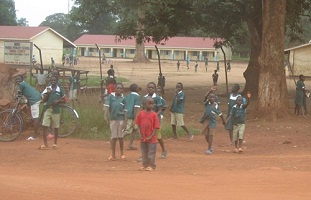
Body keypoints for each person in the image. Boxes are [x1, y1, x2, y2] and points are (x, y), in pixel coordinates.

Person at [39, 75, 66, 149]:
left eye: (54, 80)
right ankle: (45, 144)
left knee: (56, 127)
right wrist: (48, 94)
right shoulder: (48, 89)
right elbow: (43, 100)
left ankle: (55, 143)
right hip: (48, 109)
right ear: (50, 81)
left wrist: (58, 101)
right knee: (45, 125)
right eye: (52, 81)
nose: (53, 82)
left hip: (56, 110)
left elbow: (64, 100)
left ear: (57, 81)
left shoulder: (59, 90)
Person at [141, 82, 167, 159]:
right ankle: (144, 155)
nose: (150, 89)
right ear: (147, 89)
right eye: (149, 87)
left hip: (156, 119)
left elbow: (160, 109)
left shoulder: (158, 98)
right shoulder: (144, 98)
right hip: (146, 120)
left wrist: (154, 115)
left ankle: (163, 150)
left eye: (152, 88)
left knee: (158, 136)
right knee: (146, 136)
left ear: (155, 89)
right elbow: (143, 109)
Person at [135, 96, 160, 171]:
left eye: (152, 104)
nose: (151, 105)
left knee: (151, 152)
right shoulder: (141, 114)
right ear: (144, 104)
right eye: (149, 103)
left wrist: (151, 135)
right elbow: (138, 125)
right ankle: (144, 165)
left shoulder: (154, 114)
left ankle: (151, 165)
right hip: (143, 137)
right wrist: (140, 134)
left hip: (151, 138)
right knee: (144, 152)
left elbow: (156, 127)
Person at [104, 83, 127, 161]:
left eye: (120, 88)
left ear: (122, 90)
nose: (119, 90)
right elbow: (107, 106)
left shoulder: (123, 98)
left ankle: (122, 154)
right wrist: (105, 115)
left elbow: (125, 111)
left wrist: (125, 122)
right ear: (115, 89)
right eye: (118, 88)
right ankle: (113, 154)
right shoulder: (111, 97)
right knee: (113, 137)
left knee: (121, 137)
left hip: (121, 119)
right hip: (113, 119)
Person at [15, 75, 42, 141]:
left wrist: (16, 98)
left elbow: (19, 94)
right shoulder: (24, 83)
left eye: (19, 79)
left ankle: (35, 136)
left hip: (34, 100)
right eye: (16, 79)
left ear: (22, 79)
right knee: (33, 115)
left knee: (35, 117)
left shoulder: (21, 84)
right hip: (35, 98)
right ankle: (38, 129)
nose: (17, 81)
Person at [124, 83, 141, 150]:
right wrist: (135, 119)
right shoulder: (137, 97)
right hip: (132, 116)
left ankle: (130, 145)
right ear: (136, 89)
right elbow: (135, 108)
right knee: (128, 131)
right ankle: (118, 137)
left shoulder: (127, 96)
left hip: (127, 115)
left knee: (135, 130)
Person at [155, 87, 168, 159]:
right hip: (149, 119)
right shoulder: (148, 98)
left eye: (159, 92)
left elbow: (163, 108)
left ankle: (164, 150)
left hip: (158, 117)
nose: (158, 93)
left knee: (158, 135)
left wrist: (156, 115)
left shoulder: (161, 100)